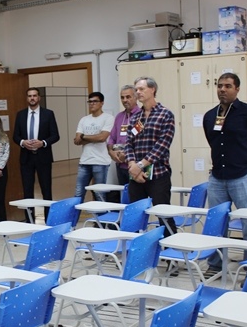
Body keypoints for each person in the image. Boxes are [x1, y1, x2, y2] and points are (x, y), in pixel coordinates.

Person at [202, 72, 247, 271]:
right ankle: (215, 264)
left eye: (228, 86)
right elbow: (212, 142)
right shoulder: (210, 116)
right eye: (220, 86)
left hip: (242, 176)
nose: (222, 89)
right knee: (216, 223)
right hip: (217, 177)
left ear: (237, 89)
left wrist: (244, 159)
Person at [125, 76, 176, 235]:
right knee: (135, 216)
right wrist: (132, 165)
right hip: (136, 176)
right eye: (136, 90)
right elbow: (129, 144)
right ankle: (137, 251)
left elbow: (162, 145)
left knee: (164, 215)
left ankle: (170, 253)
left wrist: (140, 166)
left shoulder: (165, 114)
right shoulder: (135, 118)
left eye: (141, 89)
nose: (138, 92)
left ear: (152, 89)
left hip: (158, 175)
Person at [13, 87, 60, 221]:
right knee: (27, 191)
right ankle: (29, 220)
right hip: (26, 158)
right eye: (29, 96)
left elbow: (55, 135)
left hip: (43, 157)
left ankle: (49, 219)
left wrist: (43, 143)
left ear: (39, 98)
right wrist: (23, 142)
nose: (32, 98)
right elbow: (15, 136)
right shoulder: (20, 115)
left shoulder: (48, 114)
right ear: (26, 98)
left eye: (34, 96)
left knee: (46, 190)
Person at [74, 92, 114, 201]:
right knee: (78, 193)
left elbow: (102, 138)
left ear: (102, 103)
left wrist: (84, 137)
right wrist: (93, 137)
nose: (92, 104)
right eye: (90, 101)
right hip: (84, 162)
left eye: (95, 101)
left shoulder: (108, 118)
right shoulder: (84, 119)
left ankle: (101, 218)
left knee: (99, 194)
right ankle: (73, 218)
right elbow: (77, 140)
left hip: (100, 162)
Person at [108, 85, 141, 187]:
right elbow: (112, 139)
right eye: (122, 97)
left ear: (135, 97)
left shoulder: (141, 116)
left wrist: (125, 154)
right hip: (120, 165)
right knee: (124, 195)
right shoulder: (119, 116)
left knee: (136, 197)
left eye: (128, 97)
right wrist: (111, 152)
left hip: (135, 165)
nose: (125, 100)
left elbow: (138, 141)